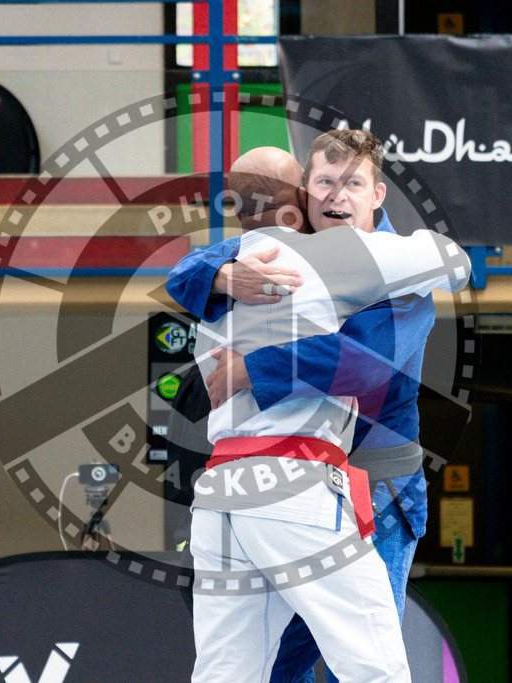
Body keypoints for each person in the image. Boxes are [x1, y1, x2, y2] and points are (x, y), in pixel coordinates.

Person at [183, 144, 470, 681]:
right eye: (324, 185)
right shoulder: (340, 259)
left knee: (227, 671)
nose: (337, 198)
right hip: (300, 482)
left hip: (230, 493)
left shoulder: (217, 285)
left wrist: (252, 364)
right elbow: (455, 262)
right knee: (373, 662)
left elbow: (367, 366)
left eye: (353, 185)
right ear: (299, 197)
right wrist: (220, 272)